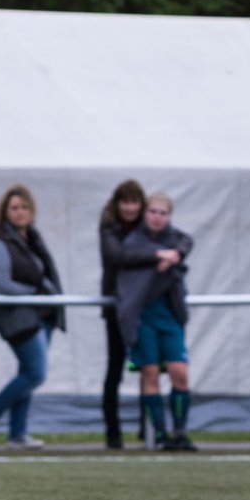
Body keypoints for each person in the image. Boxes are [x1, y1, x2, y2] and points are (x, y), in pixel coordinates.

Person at [0, 185, 64, 450]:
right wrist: (36, 293)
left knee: (27, 373)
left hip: (42, 315)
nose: (20, 212)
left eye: (24, 207)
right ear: (5, 212)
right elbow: (2, 283)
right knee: (36, 372)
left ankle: (17, 433)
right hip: (18, 317)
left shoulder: (32, 240)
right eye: (14, 208)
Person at [117, 192, 196, 451]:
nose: (157, 217)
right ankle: (160, 435)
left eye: (162, 213)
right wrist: (159, 256)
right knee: (149, 373)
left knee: (179, 373)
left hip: (169, 317)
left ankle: (180, 431)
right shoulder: (134, 242)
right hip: (143, 317)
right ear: (145, 213)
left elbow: (186, 242)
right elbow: (128, 258)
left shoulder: (177, 241)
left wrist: (174, 255)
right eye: (153, 211)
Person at [98, 180, 148, 449]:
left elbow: (181, 241)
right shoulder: (109, 227)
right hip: (116, 309)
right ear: (117, 204)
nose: (130, 207)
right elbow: (116, 256)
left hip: (143, 307)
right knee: (115, 368)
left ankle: (147, 427)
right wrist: (155, 255)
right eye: (125, 202)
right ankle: (113, 432)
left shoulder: (149, 227)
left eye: (134, 202)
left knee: (145, 367)